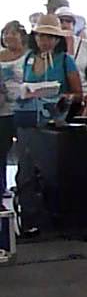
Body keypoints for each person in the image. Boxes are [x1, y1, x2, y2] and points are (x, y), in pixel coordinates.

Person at [13, 14, 83, 236]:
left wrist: (63, 97)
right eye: (42, 36)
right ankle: (30, 220)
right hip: (28, 121)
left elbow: (78, 93)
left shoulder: (64, 60)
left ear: (57, 39)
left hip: (53, 124)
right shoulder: (28, 59)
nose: (45, 41)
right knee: (25, 173)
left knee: (52, 173)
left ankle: (54, 220)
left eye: (50, 37)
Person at [0, 21, 24, 196]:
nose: (9, 36)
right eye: (5, 33)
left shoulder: (30, 57)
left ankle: (23, 185)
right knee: (1, 150)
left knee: (26, 151)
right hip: (3, 111)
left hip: (24, 109)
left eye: (13, 33)